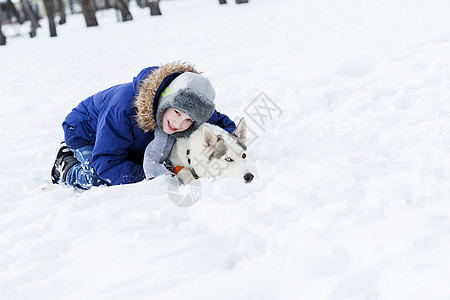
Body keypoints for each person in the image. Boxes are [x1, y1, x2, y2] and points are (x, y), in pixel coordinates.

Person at [51, 61, 236, 189]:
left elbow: (220, 124)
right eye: (177, 113)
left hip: (126, 140)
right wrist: (153, 177)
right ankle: (65, 167)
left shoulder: (190, 106)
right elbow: (107, 163)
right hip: (85, 133)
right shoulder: (123, 110)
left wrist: (229, 145)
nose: (179, 123)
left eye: (189, 120)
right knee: (101, 178)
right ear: (165, 100)